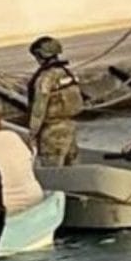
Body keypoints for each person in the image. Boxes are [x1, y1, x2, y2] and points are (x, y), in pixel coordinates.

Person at [27, 36, 84, 166]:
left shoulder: (45, 78)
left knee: (53, 171)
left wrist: (32, 134)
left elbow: (38, 109)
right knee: (73, 170)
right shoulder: (68, 73)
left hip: (51, 132)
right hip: (70, 127)